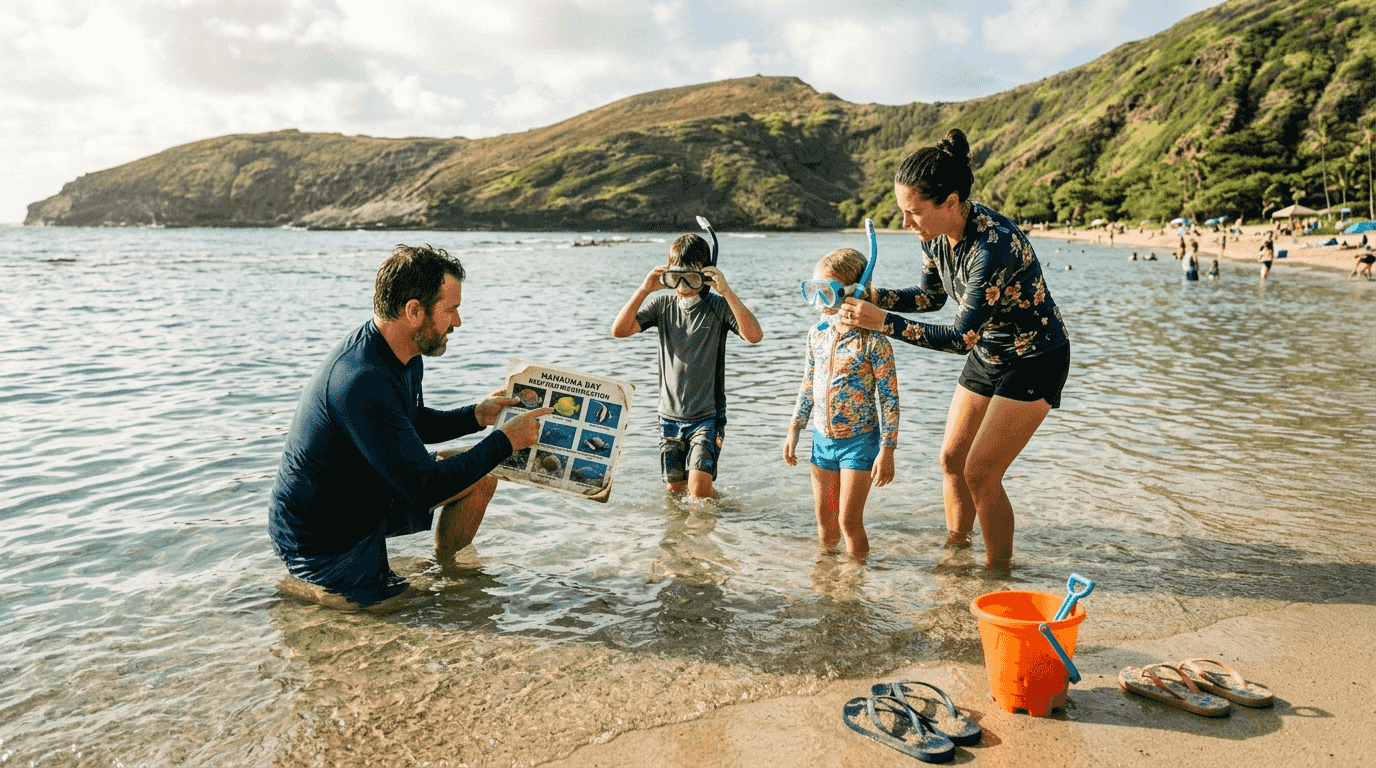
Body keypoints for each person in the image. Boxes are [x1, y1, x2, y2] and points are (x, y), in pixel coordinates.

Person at [267, 245, 553, 610]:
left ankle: (445, 567)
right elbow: (424, 487)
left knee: (482, 478)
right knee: (408, 606)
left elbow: (408, 422)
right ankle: (307, 589)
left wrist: (476, 416)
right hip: (321, 537)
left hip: (364, 498)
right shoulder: (362, 380)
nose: (458, 322)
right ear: (414, 311)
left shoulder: (405, 352)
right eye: (451, 310)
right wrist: (505, 441)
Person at [836, 128, 1070, 567]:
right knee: (951, 459)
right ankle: (956, 553)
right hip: (991, 352)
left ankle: (997, 571)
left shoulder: (992, 246)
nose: (907, 224)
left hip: (1036, 356)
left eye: (914, 212)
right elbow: (931, 298)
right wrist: (874, 298)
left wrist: (882, 323)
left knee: (980, 472)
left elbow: (961, 339)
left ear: (951, 201)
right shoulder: (934, 236)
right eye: (902, 212)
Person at [610, 233, 763, 499]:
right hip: (668, 416)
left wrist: (725, 290)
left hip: (707, 416)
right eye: (675, 277)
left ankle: (729, 520)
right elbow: (619, 330)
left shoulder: (718, 306)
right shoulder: (662, 305)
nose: (682, 286)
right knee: (674, 490)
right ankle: (690, 535)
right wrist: (644, 289)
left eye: (690, 278)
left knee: (699, 490)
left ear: (705, 275)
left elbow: (754, 336)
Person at [784, 247, 900, 559]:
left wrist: (887, 450)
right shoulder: (816, 335)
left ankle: (855, 584)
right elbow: (809, 381)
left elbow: (889, 400)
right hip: (822, 440)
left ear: (855, 292)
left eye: (828, 293)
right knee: (825, 521)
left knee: (849, 522)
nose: (820, 303)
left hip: (859, 443)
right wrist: (795, 428)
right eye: (814, 292)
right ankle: (826, 580)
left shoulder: (874, 341)